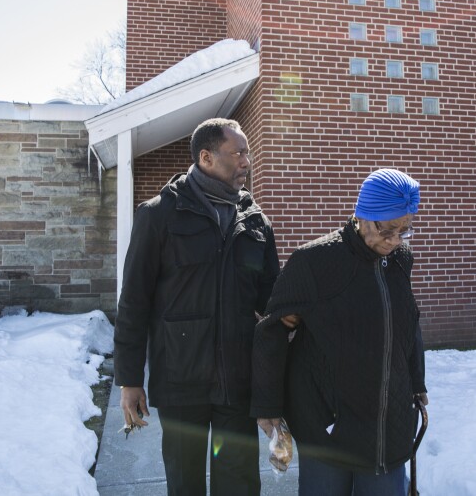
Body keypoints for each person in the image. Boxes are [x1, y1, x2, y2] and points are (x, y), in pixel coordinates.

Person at [113, 118, 280, 495]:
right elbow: (134, 302)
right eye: (238, 153)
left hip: (236, 384)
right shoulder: (158, 215)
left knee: (238, 482)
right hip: (180, 380)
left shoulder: (255, 222)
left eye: (248, 153)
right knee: (185, 482)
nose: (247, 162)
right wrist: (130, 379)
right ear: (206, 157)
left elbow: (271, 304)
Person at [251, 168, 429, 496]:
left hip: (387, 422)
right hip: (329, 423)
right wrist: (268, 406)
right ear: (363, 215)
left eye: (404, 230)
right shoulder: (314, 261)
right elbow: (271, 332)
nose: (393, 240)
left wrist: (416, 382)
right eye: (387, 230)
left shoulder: (401, 258)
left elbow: (407, 322)